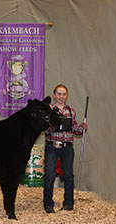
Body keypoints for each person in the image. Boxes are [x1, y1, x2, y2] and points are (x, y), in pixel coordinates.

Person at [43, 84, 87, 213]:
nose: (61, 97)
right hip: (52, 146)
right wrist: (55, 125)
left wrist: (82, 127)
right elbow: (45, 130)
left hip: (67, 147)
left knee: (68, 175)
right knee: (49, 175)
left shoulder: (71, 111)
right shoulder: (50, 110)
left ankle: (68, 203)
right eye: (59, 94)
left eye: (64, 94)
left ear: (66, 96)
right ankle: (48, 204)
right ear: (54, 95)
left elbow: (75, 131)